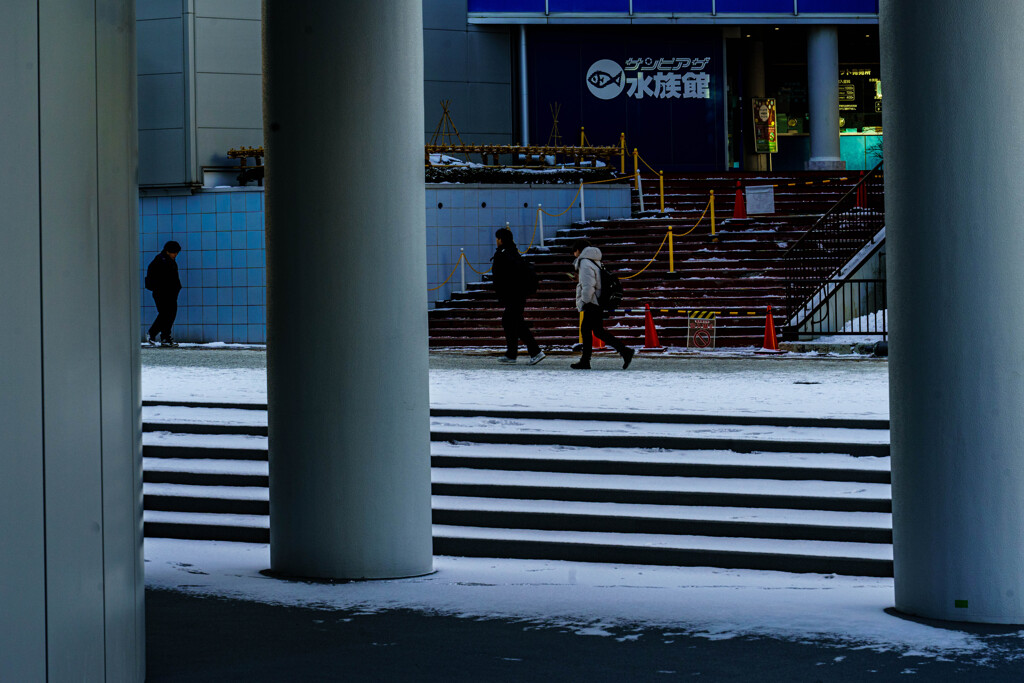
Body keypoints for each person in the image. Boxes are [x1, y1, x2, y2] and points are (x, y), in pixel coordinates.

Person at [571, 238, 634, 370]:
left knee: (587, 330)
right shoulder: (594, 261)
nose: (573, 254)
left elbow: (588, 285)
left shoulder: (584, 262)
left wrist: (585, 300)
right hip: (598, 300)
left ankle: (585, 360)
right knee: (598, 331)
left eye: (574, 251)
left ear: (578, 251)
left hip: (592, 301)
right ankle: (624, 351)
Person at [491, 227, 545, 365]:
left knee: (515, 323)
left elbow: (502, 278)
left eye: (497, 239)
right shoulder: (513, 252)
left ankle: (535, 351)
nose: (496, 241)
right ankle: (512, 353)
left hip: (512, 295)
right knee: (510, 322)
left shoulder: (503, 254)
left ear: (500, 239)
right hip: (518, 294)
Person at [145, 240, 183, 347]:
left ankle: (165, 337)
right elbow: (155, 278)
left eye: (176, 253)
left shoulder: (168, 260)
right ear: (167, 251)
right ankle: (153, 333)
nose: (175, 255)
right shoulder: (160, 261)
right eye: (174, 252)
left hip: (170, 292)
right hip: (162, 293)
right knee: (166, 314)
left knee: (169, 315)